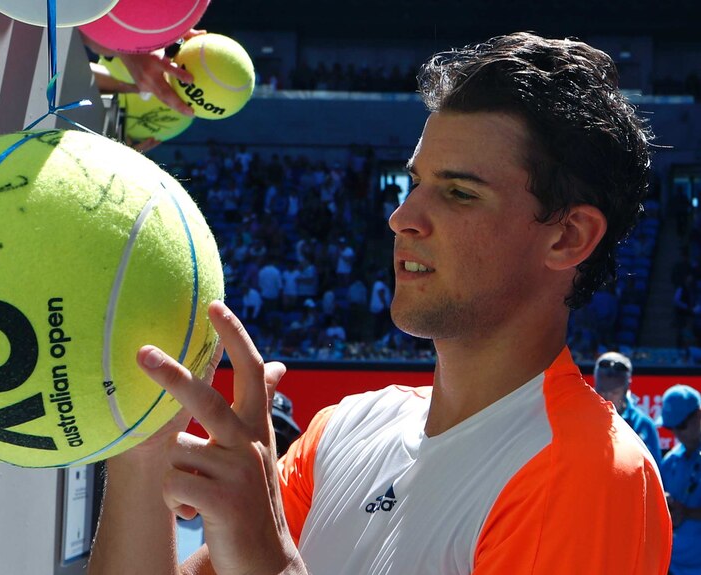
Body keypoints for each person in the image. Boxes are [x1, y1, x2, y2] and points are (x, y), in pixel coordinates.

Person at [87, 32, 671, 575]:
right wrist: (143, 449)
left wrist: (270, 560)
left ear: (568, 237)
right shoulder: (344, 429)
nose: (403, 217)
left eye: (459, 193)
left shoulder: (591, 472)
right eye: (414, 182)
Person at [657, 385, 701, 575]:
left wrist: (689, 513)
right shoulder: (670, 461)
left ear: (699, 415)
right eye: (670, 427)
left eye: (681, 425)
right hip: (672, 567)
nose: (676, 433)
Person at [593, 351, 662, 468]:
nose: (607, 398)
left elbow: (655, 475)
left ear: (627, 388)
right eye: (602, 391)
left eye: (614, 392)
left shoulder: (644, 426)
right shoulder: (581, 420)